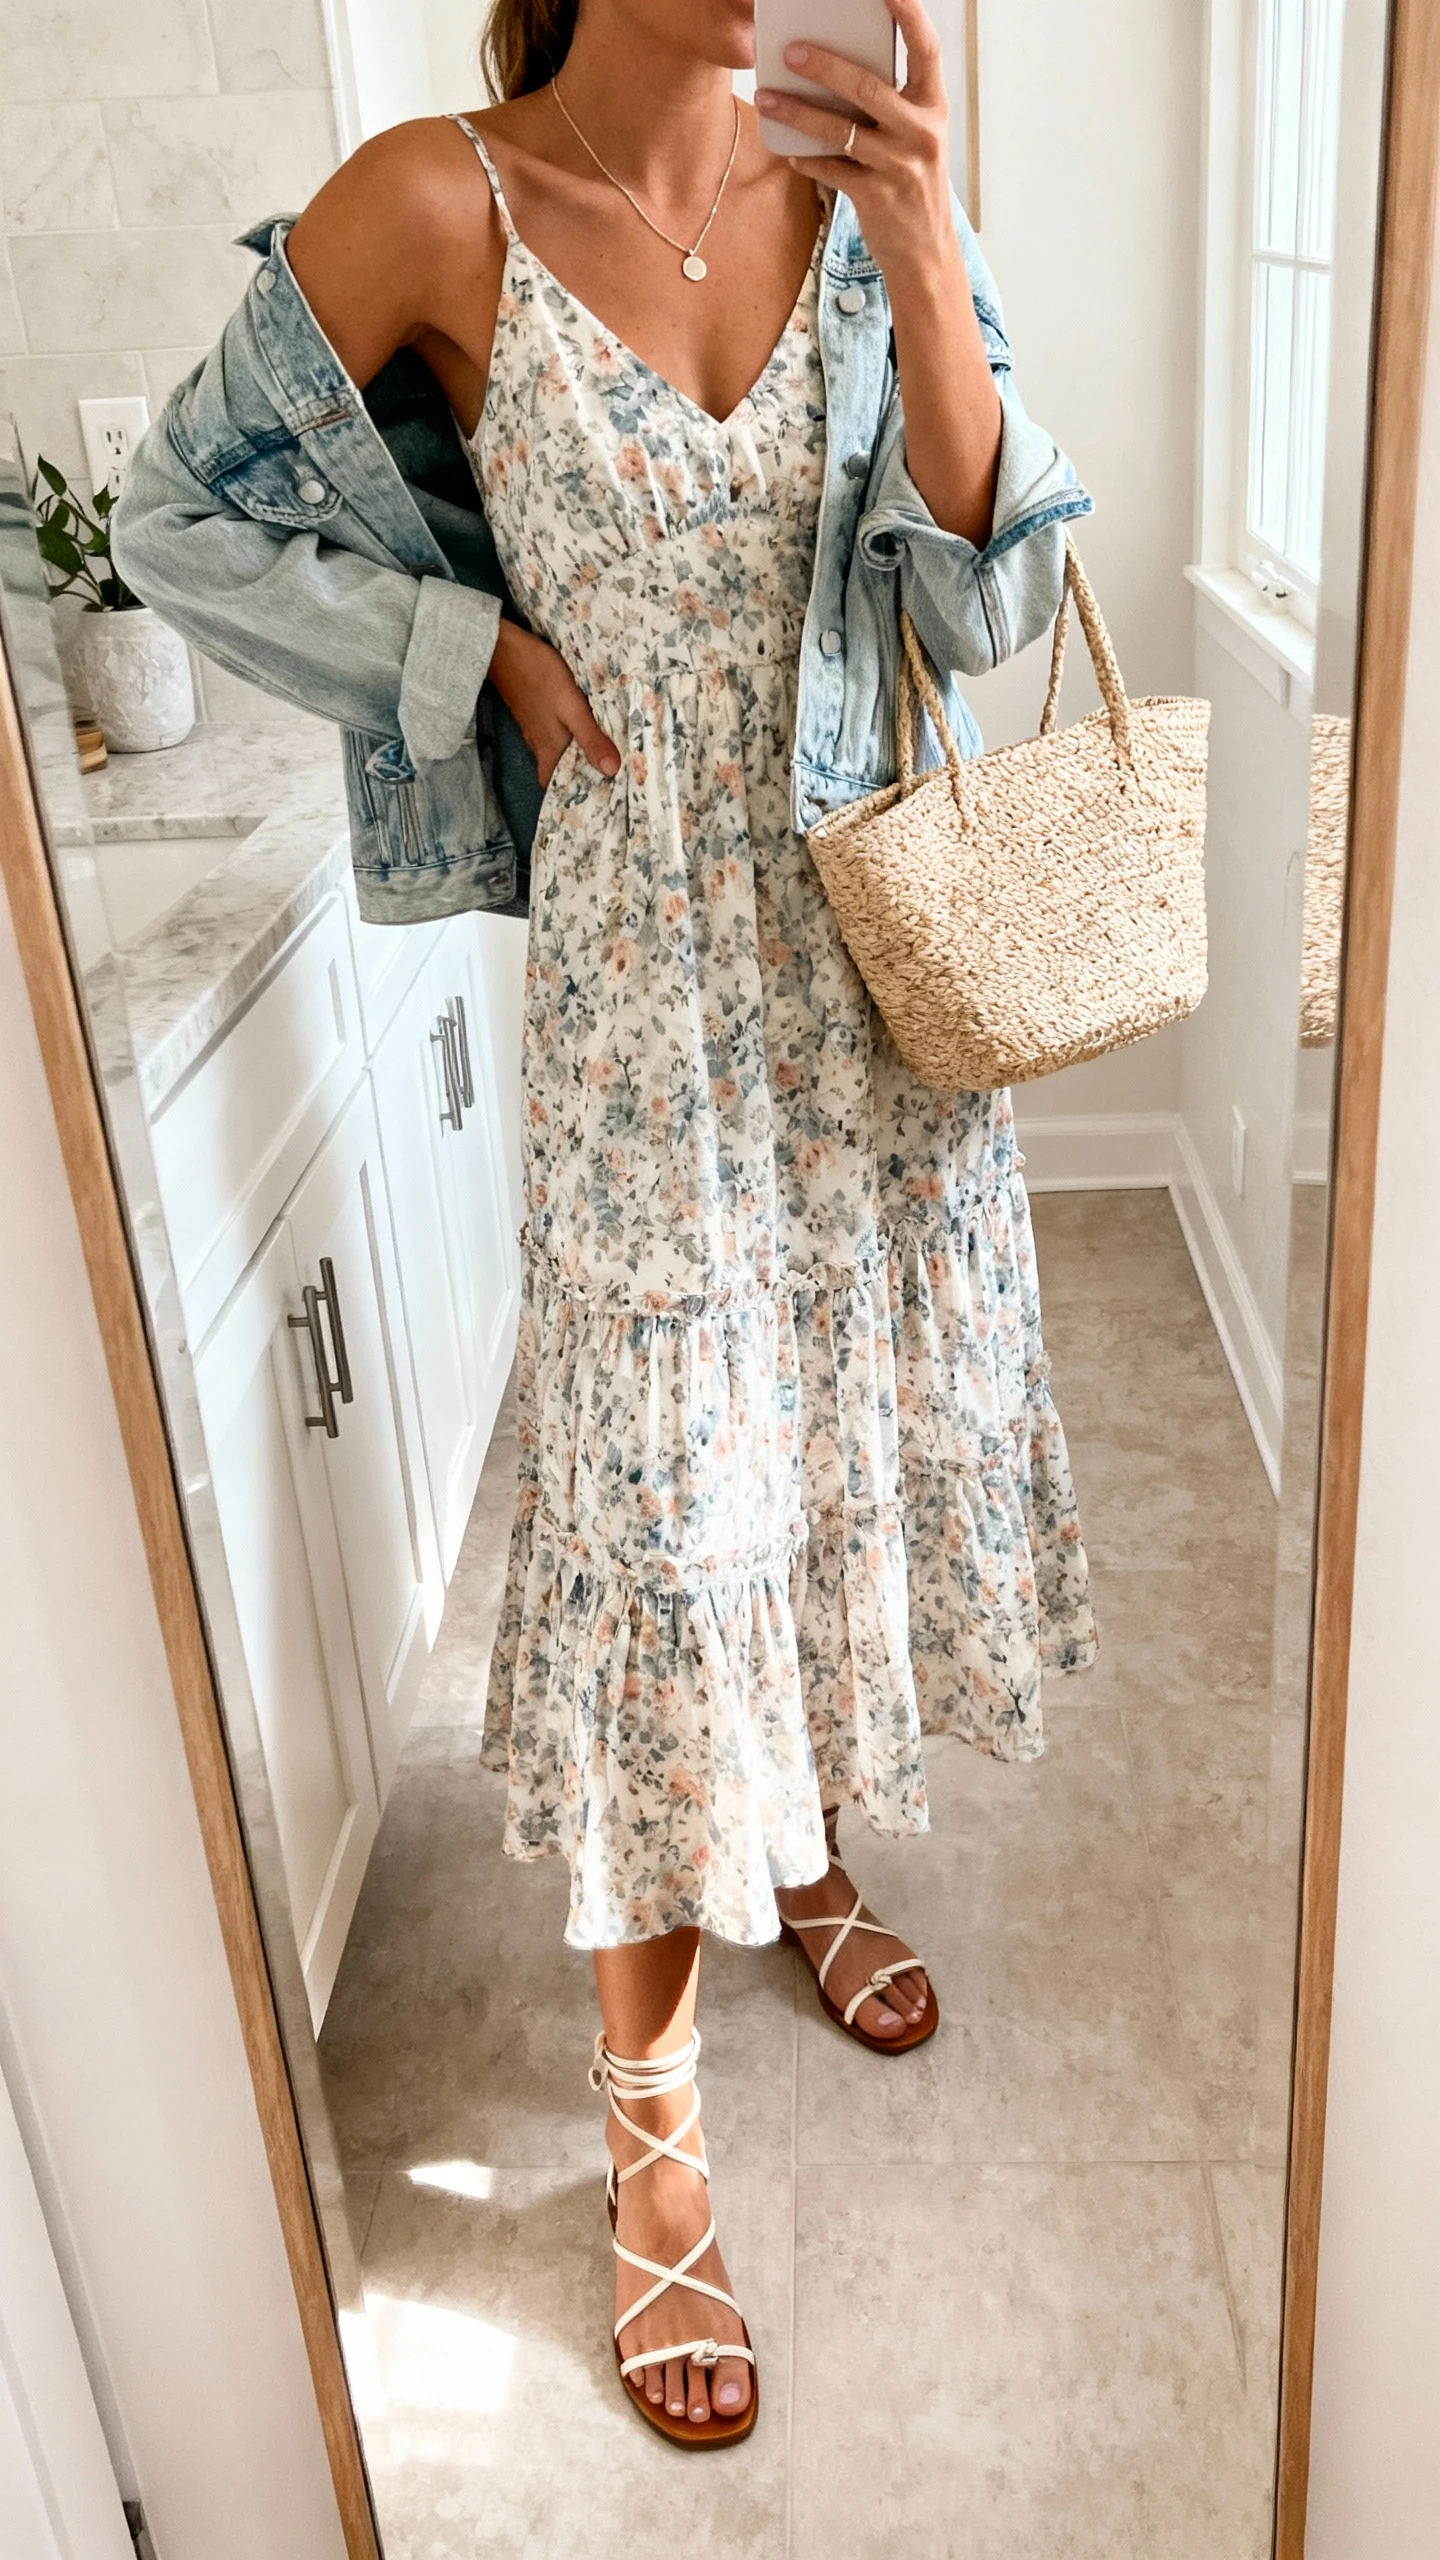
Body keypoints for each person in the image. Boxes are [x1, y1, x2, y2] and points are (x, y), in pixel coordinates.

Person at [114, 0, 1097, 2449]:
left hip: (871, 985)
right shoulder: (435, 199)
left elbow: (981, 605)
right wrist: (467, 646)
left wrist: (930, 245)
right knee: (668, 1543)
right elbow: (178, 513)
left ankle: (818, 1851)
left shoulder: (863, 192)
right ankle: (653, 2159)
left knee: (839, 1457)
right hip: (647, 1014)